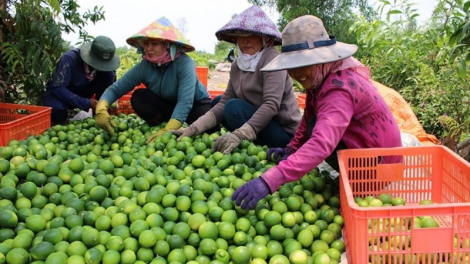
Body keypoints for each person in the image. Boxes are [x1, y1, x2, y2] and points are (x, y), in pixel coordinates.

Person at [232, 15, 403, 210]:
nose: (297, 74)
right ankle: (353, 182)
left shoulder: (339, 88)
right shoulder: (321, 78)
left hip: (382, 166)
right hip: (367, 155)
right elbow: (308, 118)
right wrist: (291, 149)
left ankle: (363, 190)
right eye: (292, 67)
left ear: (323, 60)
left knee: (318, 132)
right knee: (314, 124)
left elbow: (321, 142)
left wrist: (268, 181)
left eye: (304, 64)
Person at [171, 5, 302, 154]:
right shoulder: (237, 65)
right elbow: (224, 102)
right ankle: (248, 144)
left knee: (233, 108)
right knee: (219, 102)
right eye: (241, 36)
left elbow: (271, 105)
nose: (246, 41)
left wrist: (239, 134)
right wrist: (192, 129)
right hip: (259, 125)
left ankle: (248, 141)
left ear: (264, 38)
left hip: (284, 133)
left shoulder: (273, 60)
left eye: (251, 35)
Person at [94, 17, 212, 138]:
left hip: (195, 104)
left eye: (154, 44)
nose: (149, 48)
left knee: (208, 126)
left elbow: (185, 101)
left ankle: (174, 124)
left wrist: (170, 129)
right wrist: (101, 108)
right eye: (146, 43)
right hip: (169, 105)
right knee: (139, 97)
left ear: (167, 45)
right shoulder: (145, 66)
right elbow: (116, 88)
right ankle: (163, 124)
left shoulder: (184, 63)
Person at [43, 36, 120, 125]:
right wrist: (87, 103)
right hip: (64, 94)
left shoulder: (106, 71)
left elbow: (111, 86)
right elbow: (58, 88)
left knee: (109, 75)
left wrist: (110, 99)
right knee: (56, 108)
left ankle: (98, 117)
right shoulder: (70, 59)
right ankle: (61, 122)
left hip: (85, 91)